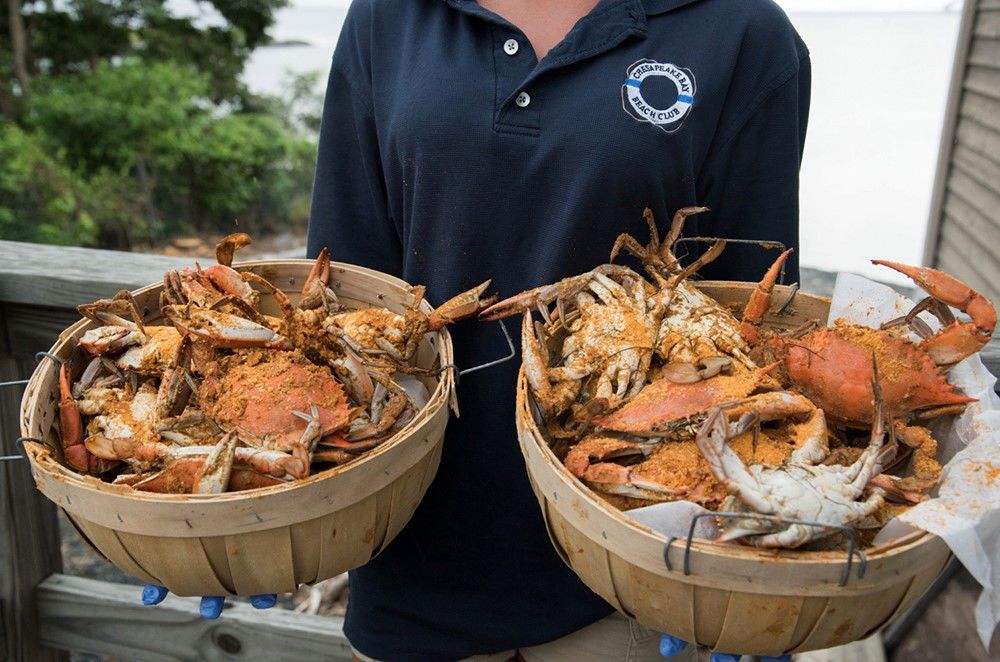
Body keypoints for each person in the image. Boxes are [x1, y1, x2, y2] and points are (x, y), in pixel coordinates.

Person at [146, 0, 810, 659]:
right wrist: (248, 512)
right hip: (403, 532)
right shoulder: (390, 17)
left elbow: (752, 325)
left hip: (633, 553)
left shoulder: (743, 34)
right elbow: (337, 297)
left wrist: (746, 562)